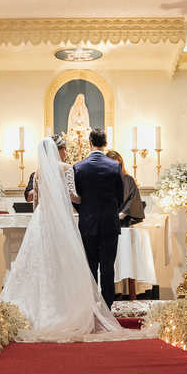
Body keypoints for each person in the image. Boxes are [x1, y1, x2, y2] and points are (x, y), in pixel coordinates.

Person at [0, 137, 143, 342]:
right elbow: (73, 195)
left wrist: (41, 212)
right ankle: (69, 308)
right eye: (64, 150)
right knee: (65, 262)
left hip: (41, 219)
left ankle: (37, 308)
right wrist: (90, 200)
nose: (66, 153)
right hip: (61, 219)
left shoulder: (39, 171)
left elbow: (36, 200)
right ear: (59, 151)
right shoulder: (67, 167)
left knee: (40, 263)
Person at [74, 129, 125, 309]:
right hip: (109, 222)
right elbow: (121, 195)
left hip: (87, 222)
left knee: (90, 267)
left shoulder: (79, 167)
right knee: (107, 267)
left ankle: (91, 306)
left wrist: (85, 210)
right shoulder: (114, 166)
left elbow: (77, 195)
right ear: (105, 143)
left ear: (89, 142)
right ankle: (107, 307)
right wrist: (111, 211)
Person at [105, 150, 144, 226]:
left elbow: (133, 199)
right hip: (105, 221)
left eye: (117, 164)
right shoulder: (102, 180)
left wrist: (124, 213)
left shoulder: (128, 180)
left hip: (123, 221)